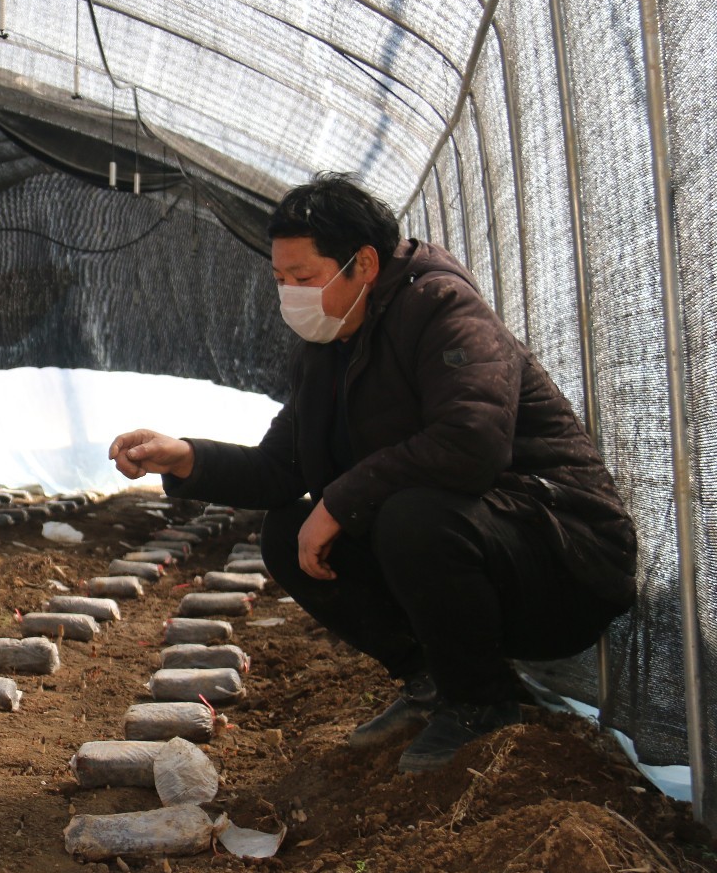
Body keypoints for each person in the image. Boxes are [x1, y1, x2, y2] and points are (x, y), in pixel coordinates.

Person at [109, 173, 636, 773]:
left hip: (563, 560)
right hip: (482, 551)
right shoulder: (329, 348)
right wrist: (186, 457)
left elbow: (472, 442)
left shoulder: (444, 311)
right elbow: (280, 469)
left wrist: (338, 503)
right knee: (286, 531)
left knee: (412, 515)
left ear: (363, 264)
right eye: (280, 280)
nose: (290, 296)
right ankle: (432, 680)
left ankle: (482, 705)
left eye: (304, 278)